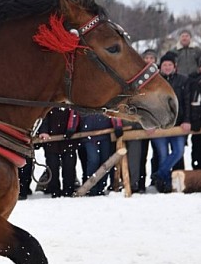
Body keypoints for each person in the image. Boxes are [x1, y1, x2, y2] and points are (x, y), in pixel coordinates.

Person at [151, 52, 191, 193]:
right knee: (162, 154)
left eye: (170, 65)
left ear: (175, 66)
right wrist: (151, 124)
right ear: (160, 67)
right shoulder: (154, 81)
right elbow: (150, 104)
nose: (167, 67)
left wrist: (186, 120)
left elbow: (187, 102)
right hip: (160, 125)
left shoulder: (183, 80)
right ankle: (165, 184)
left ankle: (159, 173)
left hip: (178, 124)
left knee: (179, 151)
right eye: (164, 65)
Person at [126, 50, 158, 192]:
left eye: (152, 58)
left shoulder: (158, 81)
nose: (149, 60)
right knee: (134, 157)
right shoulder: (136, 79)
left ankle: (146, 182)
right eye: (146, 58)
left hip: (152, 125)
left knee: (147, 156)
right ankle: (134, 184)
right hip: (135, 125)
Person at [37, 107, 80, 198]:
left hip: (69, 140)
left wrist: (73, 129)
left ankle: (68, 189)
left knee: (69, 166)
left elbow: (76, 116)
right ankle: (54, 190)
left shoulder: (71, 103)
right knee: (52, 166)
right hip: (51, 140)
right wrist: (44, 131)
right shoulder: (50, 102)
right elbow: (43, 116)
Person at [79, 113, 123, 196]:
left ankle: (101, 187)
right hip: (88, 134)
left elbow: (113, 112)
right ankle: (91, 187)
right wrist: (72, 128)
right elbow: (75, 113)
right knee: (93, 160)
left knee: (105, 162)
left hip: (105, 133)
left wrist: (117, 126)